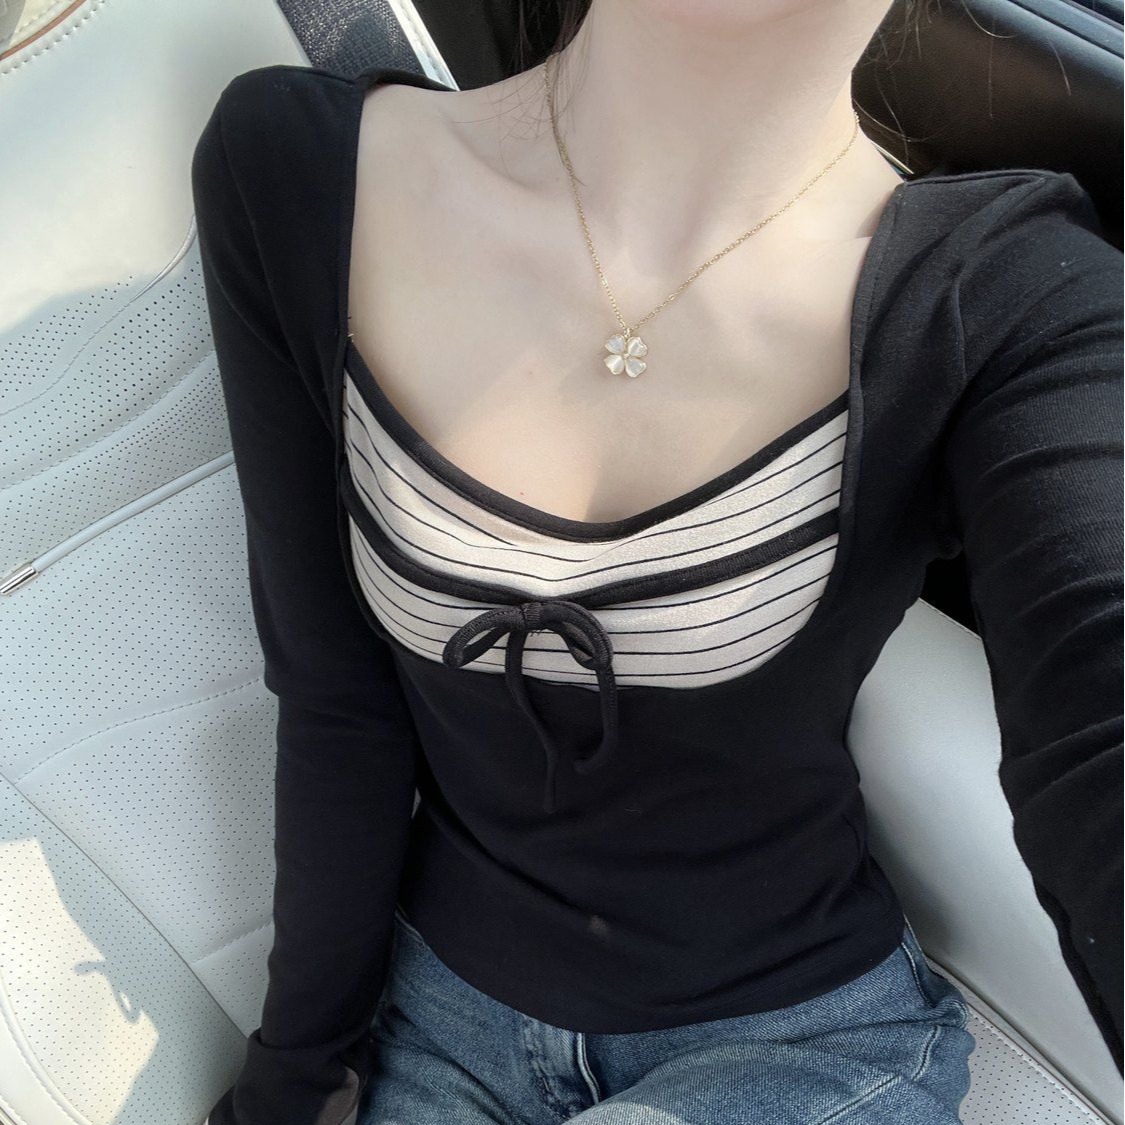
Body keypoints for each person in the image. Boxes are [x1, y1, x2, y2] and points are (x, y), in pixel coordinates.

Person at [190, 1, 1123, 1123]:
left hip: (798, 1042)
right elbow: (335, 697)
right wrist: (293, 1076)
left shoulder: (1016, 303)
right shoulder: (294, 172)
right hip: (435, 1027)